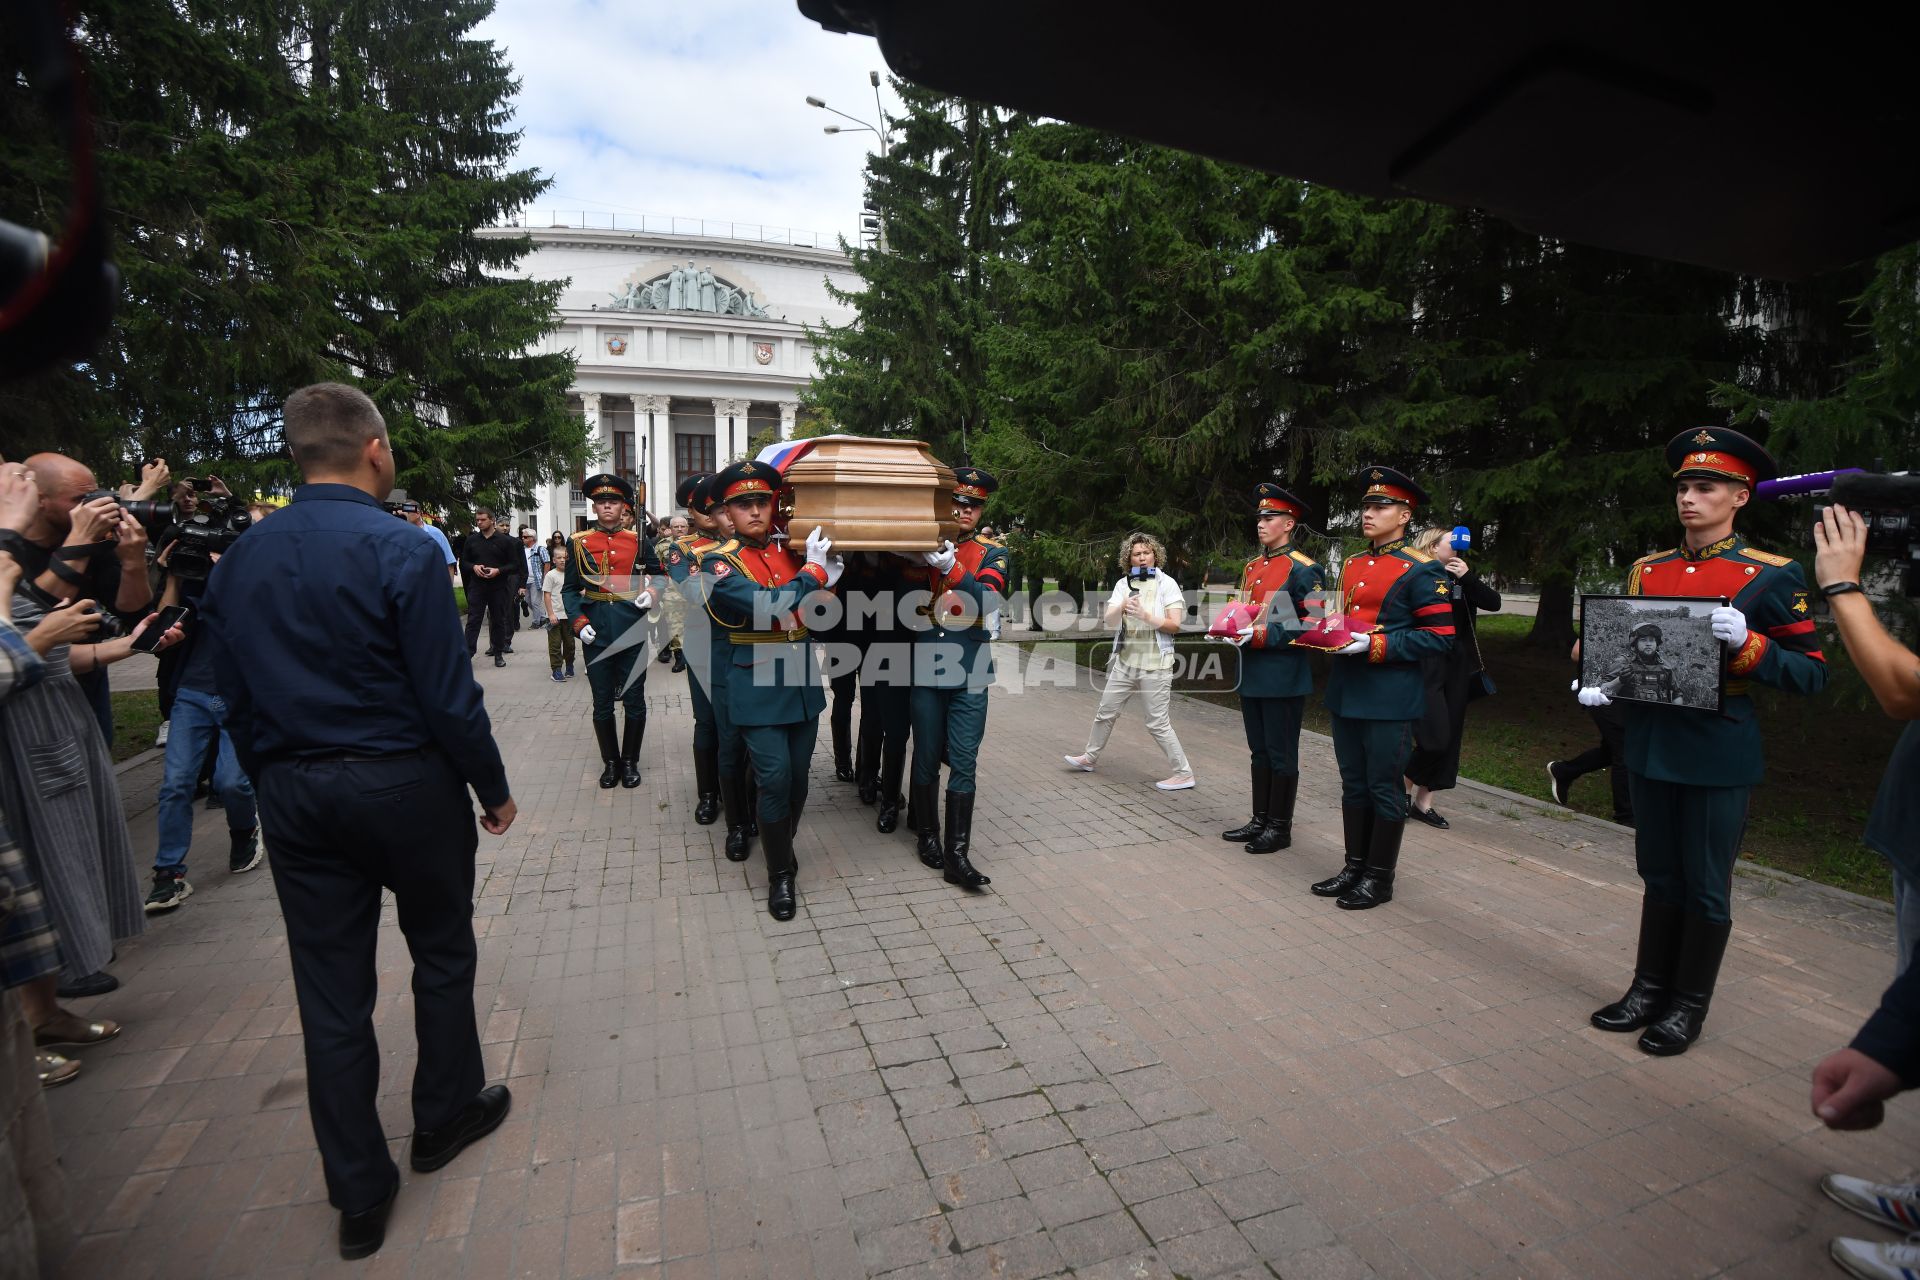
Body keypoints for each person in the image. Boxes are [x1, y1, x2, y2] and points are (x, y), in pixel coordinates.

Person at [200, 382, 515, 1261]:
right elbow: (448, 697)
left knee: (330, 992)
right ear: (375, 448)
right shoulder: (403, 548)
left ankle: (358, 1194)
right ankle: (444, 1116)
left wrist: (272, 774)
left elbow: (228, 689)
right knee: (442, 951)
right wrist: (491, 787)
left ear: (297, 455)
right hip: (404, 783)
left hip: (297, 791)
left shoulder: (242, 558)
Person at [1577, 428, 1826, 1057]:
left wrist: (1751, 645)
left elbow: (1811, 672)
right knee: (1658, 874)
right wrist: (1597, 674)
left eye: (1706, 487)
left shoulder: (1769, 576)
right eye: (1684, 487)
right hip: (1654, 742)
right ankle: (1646, 989)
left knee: (1706, 882)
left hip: (1718, 748)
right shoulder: (1648, 569)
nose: (1690, 498)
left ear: (1740, 497)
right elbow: (1623, 648)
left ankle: (1687, 1006)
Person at [695, 460, 840, 919]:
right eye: (743, 504)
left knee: (798, 781)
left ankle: (782, 845)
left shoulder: (792, 551)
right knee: (774, 778)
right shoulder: (716, 563)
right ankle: (781, 874)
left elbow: (818, 609)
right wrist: (815, 575)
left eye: (762, 501)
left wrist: (831, 581)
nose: (755, 511)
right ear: (728, 513)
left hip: (799, 679)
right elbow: (765, 605)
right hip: (755, 682)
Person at [1309, 467, 1454, 910]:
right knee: (1353, 784)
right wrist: (1330, 633)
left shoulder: (1421, 569)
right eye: (1366, 506)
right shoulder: (1353, 564)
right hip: (1348, 690)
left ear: (1405, 515)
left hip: (1389, 696)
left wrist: (1374, 644)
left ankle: (1379, 877)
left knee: (1384, 787)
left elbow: (1440, 636)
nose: (1368, 513)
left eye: (1380, 506)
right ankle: (1354, 866)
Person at [907, 467, 1007, 891]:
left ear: (981, 509)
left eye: (974, 504)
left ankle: (957, 854)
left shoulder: (990, 553)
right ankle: (927, 835)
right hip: (926, 665)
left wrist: (952, 568)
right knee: (927, 755)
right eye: (958, 502)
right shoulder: (916, 548)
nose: (965, 510)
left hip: (969, 670)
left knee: (964, 760)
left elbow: (988, 599)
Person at [1208, 484, 1323, 853]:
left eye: (1269, 517)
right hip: (1252, 672)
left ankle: (1279, 827)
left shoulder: (1304, 568)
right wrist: (1228, 628)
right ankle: (1260, 819)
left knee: (1281, 753)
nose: (1261, 523)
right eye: (1259, 517)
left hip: (1282, 675)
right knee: (1258, 751)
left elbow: (1313, 622)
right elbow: (1246, 612)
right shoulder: (1253, 567)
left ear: (1289, 523)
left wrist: (1259, 636)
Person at [142, 564, 261, 913]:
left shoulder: (256, 575)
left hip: (239, 694)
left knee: (231, 783)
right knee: (176, 783)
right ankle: (168, 873)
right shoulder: (196, 584)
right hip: (192, 693)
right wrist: (176, 573)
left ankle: (244, 831)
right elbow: (160, 629)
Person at [16, 453, 156, 744]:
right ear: (39, 499)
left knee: (95, 762)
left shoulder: (95, 544)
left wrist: (133, 562)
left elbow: (133, 613)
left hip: (87, 683)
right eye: (81, 499)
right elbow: (33, 619)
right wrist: (78, 544)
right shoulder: (10, 550)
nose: (95, 507)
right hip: (25, 689)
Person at [1064, 530, 1196, 792]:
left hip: (1156, 663)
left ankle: (1184, 774)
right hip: (1125, 661)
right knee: (1106, 712)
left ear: (1155, 555)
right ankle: (1089, 758)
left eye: (1147, 552)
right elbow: (1110, 622)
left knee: (1157, 722)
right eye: (1137, 554)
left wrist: (1147, 616)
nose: (1143, 557)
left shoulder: (1166, 583)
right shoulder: (1123, 584)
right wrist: (1121, 605)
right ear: (1129, 559)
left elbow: (1175, 625)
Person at [561, 474, 662, 790]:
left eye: (614, 501)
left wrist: (652, 594)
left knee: (634, 699)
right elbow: (569, 590)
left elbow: (659, 577)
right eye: (601, 501)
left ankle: (630, 760)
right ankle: (611, 762)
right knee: (602, 701)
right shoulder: (578, 542)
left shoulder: (639, 542)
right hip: (596, 631)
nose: (607, 505)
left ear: (624, 508)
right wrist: (579, 623)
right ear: (594, 506)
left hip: (632, 627)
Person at [1402, 525, 1501, 829]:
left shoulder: (1463, 578)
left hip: (1457, 661)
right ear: (1432, 548)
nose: (1457, 552)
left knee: (1451, 733)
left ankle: (1423, 801)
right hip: (1427, 658)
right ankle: (1400, 787)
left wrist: (1468, 578)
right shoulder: (1418, 575)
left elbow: (1493, 603)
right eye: (1451, 546)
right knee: (1434, 735)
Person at [664, 476, 722, 825]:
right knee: (707, 722)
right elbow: (693, 590)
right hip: (703, 641)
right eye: (705, 507)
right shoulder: (682, 549)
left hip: (741, 643)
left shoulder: (742, 543)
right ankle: (708, 793)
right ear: (691, 510)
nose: (715, 513)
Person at [1548, 637, 1635, 826]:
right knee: (1624, 749)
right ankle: (1626, 817)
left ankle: (1564, 771)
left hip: (1624, 696)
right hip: (1600, 693)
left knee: (1612, 750)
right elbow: (1577, 653)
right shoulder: (1612, 615)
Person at [458, 507, 518, 666]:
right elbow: (463, 563)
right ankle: (468, 653)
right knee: (473, 620)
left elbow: (514, 565)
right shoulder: (472, 540)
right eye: (477, 520)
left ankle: (498, 653)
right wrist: (474, 567)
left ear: (492, 520)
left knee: (498, 620)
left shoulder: (504, 541)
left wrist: (498, 571)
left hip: (498, 587)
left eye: (482, 519)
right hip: (477, 587)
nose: (479, 522)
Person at [655, 513, 692, 672]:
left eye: (682, 526)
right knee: (675, 627)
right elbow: (655, 569)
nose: (679, 529)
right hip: (671, 592)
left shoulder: (696, 544)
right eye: (675, 526)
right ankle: (679, 658)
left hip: (694, 591)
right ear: (670, 529)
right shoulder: (662, 546)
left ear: (687, 528)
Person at [542, 544, 575, 682]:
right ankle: (556, 670)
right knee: (555, 644)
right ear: (553, 560)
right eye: (559, 557)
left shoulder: (572, 574)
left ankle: (569, 665)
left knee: (570, 644)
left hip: (569, 615)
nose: (562, 560)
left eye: (565, 557)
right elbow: (547, 595)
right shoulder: (551, 575)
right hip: (555, 616)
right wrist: (551, 614)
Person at [402, 502, 455, 583]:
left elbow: (449, 563)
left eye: (407, 511)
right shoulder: (400, 535)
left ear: (417, 513)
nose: (404, 513)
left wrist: (449, 590)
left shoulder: (436, 534)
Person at [518, 527, 550, 629]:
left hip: (536, 580)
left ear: (532, 538)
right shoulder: (521, 550)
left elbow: (547, 563)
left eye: (525, 537)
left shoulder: (540, 549)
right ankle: (543, 617)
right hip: (524, 581)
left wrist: (544, 577)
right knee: (528, 602)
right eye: (522, 537)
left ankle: (536, 622)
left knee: (535, 602)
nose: (523, 538)